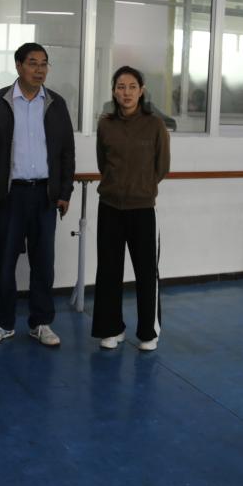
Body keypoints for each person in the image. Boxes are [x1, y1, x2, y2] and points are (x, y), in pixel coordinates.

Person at [0, 42, 75, 347]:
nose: (39, 70)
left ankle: (41, 322)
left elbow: (66, 152)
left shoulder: (56, 103)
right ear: (19, 66)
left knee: (43, 262)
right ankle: (2, 323)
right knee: (5, 262)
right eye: (33, 63)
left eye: (44, 64)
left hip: (45, 195)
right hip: (9, 195)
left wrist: (65, 191)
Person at [91, 66, 170, 351]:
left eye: (132, 87)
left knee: (146, 272)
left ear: (141, 91)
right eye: (121, 87)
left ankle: (148, 332)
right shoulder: (105, 125)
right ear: (114, 91)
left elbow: (162, 167)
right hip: (110, 207)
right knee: (108, 270)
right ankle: (111, 329)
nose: (126, 92)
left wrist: (142, 187)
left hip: (143, 208)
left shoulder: (155, 125)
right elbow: (103, 163)